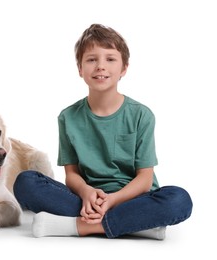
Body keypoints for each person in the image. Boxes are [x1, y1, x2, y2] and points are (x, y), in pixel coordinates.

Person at [13, 23, 193, 240]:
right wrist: (87, 192)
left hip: (133, 198)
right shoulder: (67, 117)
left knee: (179, 199)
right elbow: (72, 174)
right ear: (80, 68)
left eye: (110, 59)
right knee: (26, 182)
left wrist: (113, 200)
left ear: (124, 68)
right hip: (86, 200)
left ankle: (78, 226)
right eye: (91, 59)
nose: (100, 66)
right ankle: (137, 224)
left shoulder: (142, 115)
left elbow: (145, 179)